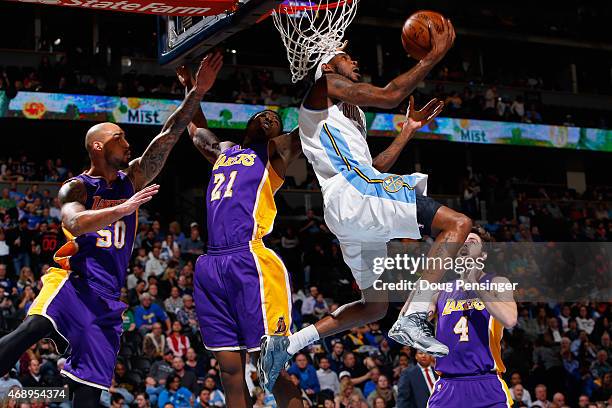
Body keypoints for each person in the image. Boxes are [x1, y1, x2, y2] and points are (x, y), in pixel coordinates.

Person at [259, 19, 472, 393]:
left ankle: (287, 344)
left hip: (349, 205)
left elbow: (374, 168)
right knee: (457, 223)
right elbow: (389, 94)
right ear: (328, 66)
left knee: (374, 306)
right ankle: (418, 312)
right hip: (355, 194)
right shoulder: (323, 88)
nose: (353, 60)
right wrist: (432, 57)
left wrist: (406, 132)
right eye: (345, 56)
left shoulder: (349, 116)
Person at [0, 54, 219, 406]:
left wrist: (195, 92)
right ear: (99, 146)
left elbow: (168, 135)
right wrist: (124, 208)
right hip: (76, 284)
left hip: (108, 300)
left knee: (86, 395)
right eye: (119, 137)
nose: (127, 143)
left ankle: (42, 396)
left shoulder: (132, 178)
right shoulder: (78, 187)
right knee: (32, 328)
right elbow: (74, 221)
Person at [176, 57, 303, 408]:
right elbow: (194, 128)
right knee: (230, 370)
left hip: (251, 259)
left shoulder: (275, 156)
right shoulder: (223, 151)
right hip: (211, 263)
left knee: (271, 367)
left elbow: (310, 123)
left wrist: (330, 87)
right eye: (263, 114)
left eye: (275, 120)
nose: (268, 118)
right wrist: (193, 89)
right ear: (248, 121)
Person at [426, 226, 518, 408]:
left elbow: (509, 319)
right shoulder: (439, 291)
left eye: (472, 242)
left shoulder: (498, 283)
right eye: (462, 242)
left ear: (483, 256)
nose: (465, 244)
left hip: (487, 383)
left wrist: (474, 283)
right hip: (447, 385)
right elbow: (412, 319)